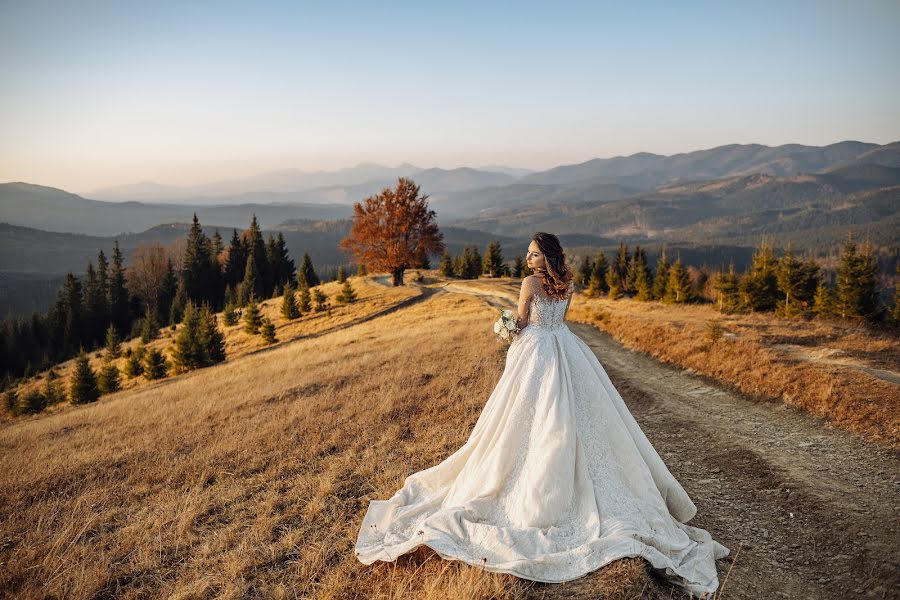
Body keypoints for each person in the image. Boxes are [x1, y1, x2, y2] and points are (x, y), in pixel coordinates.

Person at [354, 232, 730, 596]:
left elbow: (521, 321)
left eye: (534, 253)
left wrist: (505, 327)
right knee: (570, 417)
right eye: (529, 254)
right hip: (566, 349)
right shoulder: (567, 284)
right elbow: (559, 321)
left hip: (536, 352)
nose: (528, 258)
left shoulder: (530, 284)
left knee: (532, 418)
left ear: (545, 257)